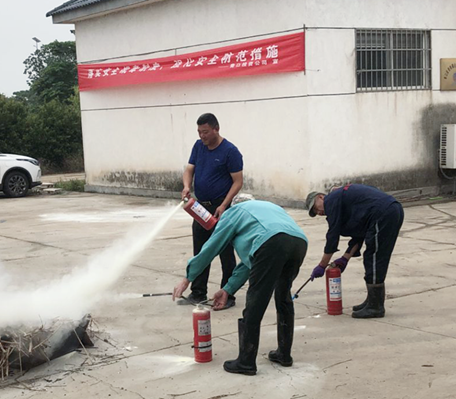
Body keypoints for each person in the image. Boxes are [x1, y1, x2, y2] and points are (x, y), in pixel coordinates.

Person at [173, 199, 308, 376]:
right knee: (283, 297)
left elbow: (211, 247)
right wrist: (228, 289)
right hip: (299, 243)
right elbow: (251, 262)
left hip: (272, 242)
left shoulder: (232, 213)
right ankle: (284, 354)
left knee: (255, 301)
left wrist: (188, 278)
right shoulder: (264, 209)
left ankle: (246, 361)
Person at [306, 184, 404, 319]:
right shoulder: (344, 203)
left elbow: (332, 236)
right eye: (315, 213)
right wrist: (345, 258)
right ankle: (372, 301)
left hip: (383, 213)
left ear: (321, 197)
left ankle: (375, 306)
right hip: (390, 210)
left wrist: (322, 265)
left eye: (315, 207)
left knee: (374, 257)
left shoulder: (331, 200)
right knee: (373, 255)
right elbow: (359, 235)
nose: (318, 212)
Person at [179, 113, 244, 310]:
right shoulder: (199, 146)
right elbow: (189, 169)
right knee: (200, 250)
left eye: (205, 132)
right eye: (199, 132)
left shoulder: (230, 151)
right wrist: (186, 186)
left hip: (221, 208)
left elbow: (237, 182)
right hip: (200, 207)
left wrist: (224, 205)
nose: (202, 136)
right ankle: (198, 292)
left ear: (216, 129)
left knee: (225, 252)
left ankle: (228, 293)